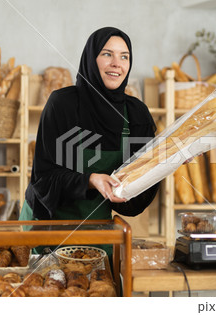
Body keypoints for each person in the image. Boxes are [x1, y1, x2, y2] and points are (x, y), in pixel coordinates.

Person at [20, 27, 159, 256]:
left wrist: (164, 164)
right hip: (47, 226)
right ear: (91, 58)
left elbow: (131, 200)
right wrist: (90, 180)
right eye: (107, 54)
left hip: (97, 232)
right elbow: (44, 179)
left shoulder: (136, 115)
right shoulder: (63, 104)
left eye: (124, 56)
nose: (117, 63)